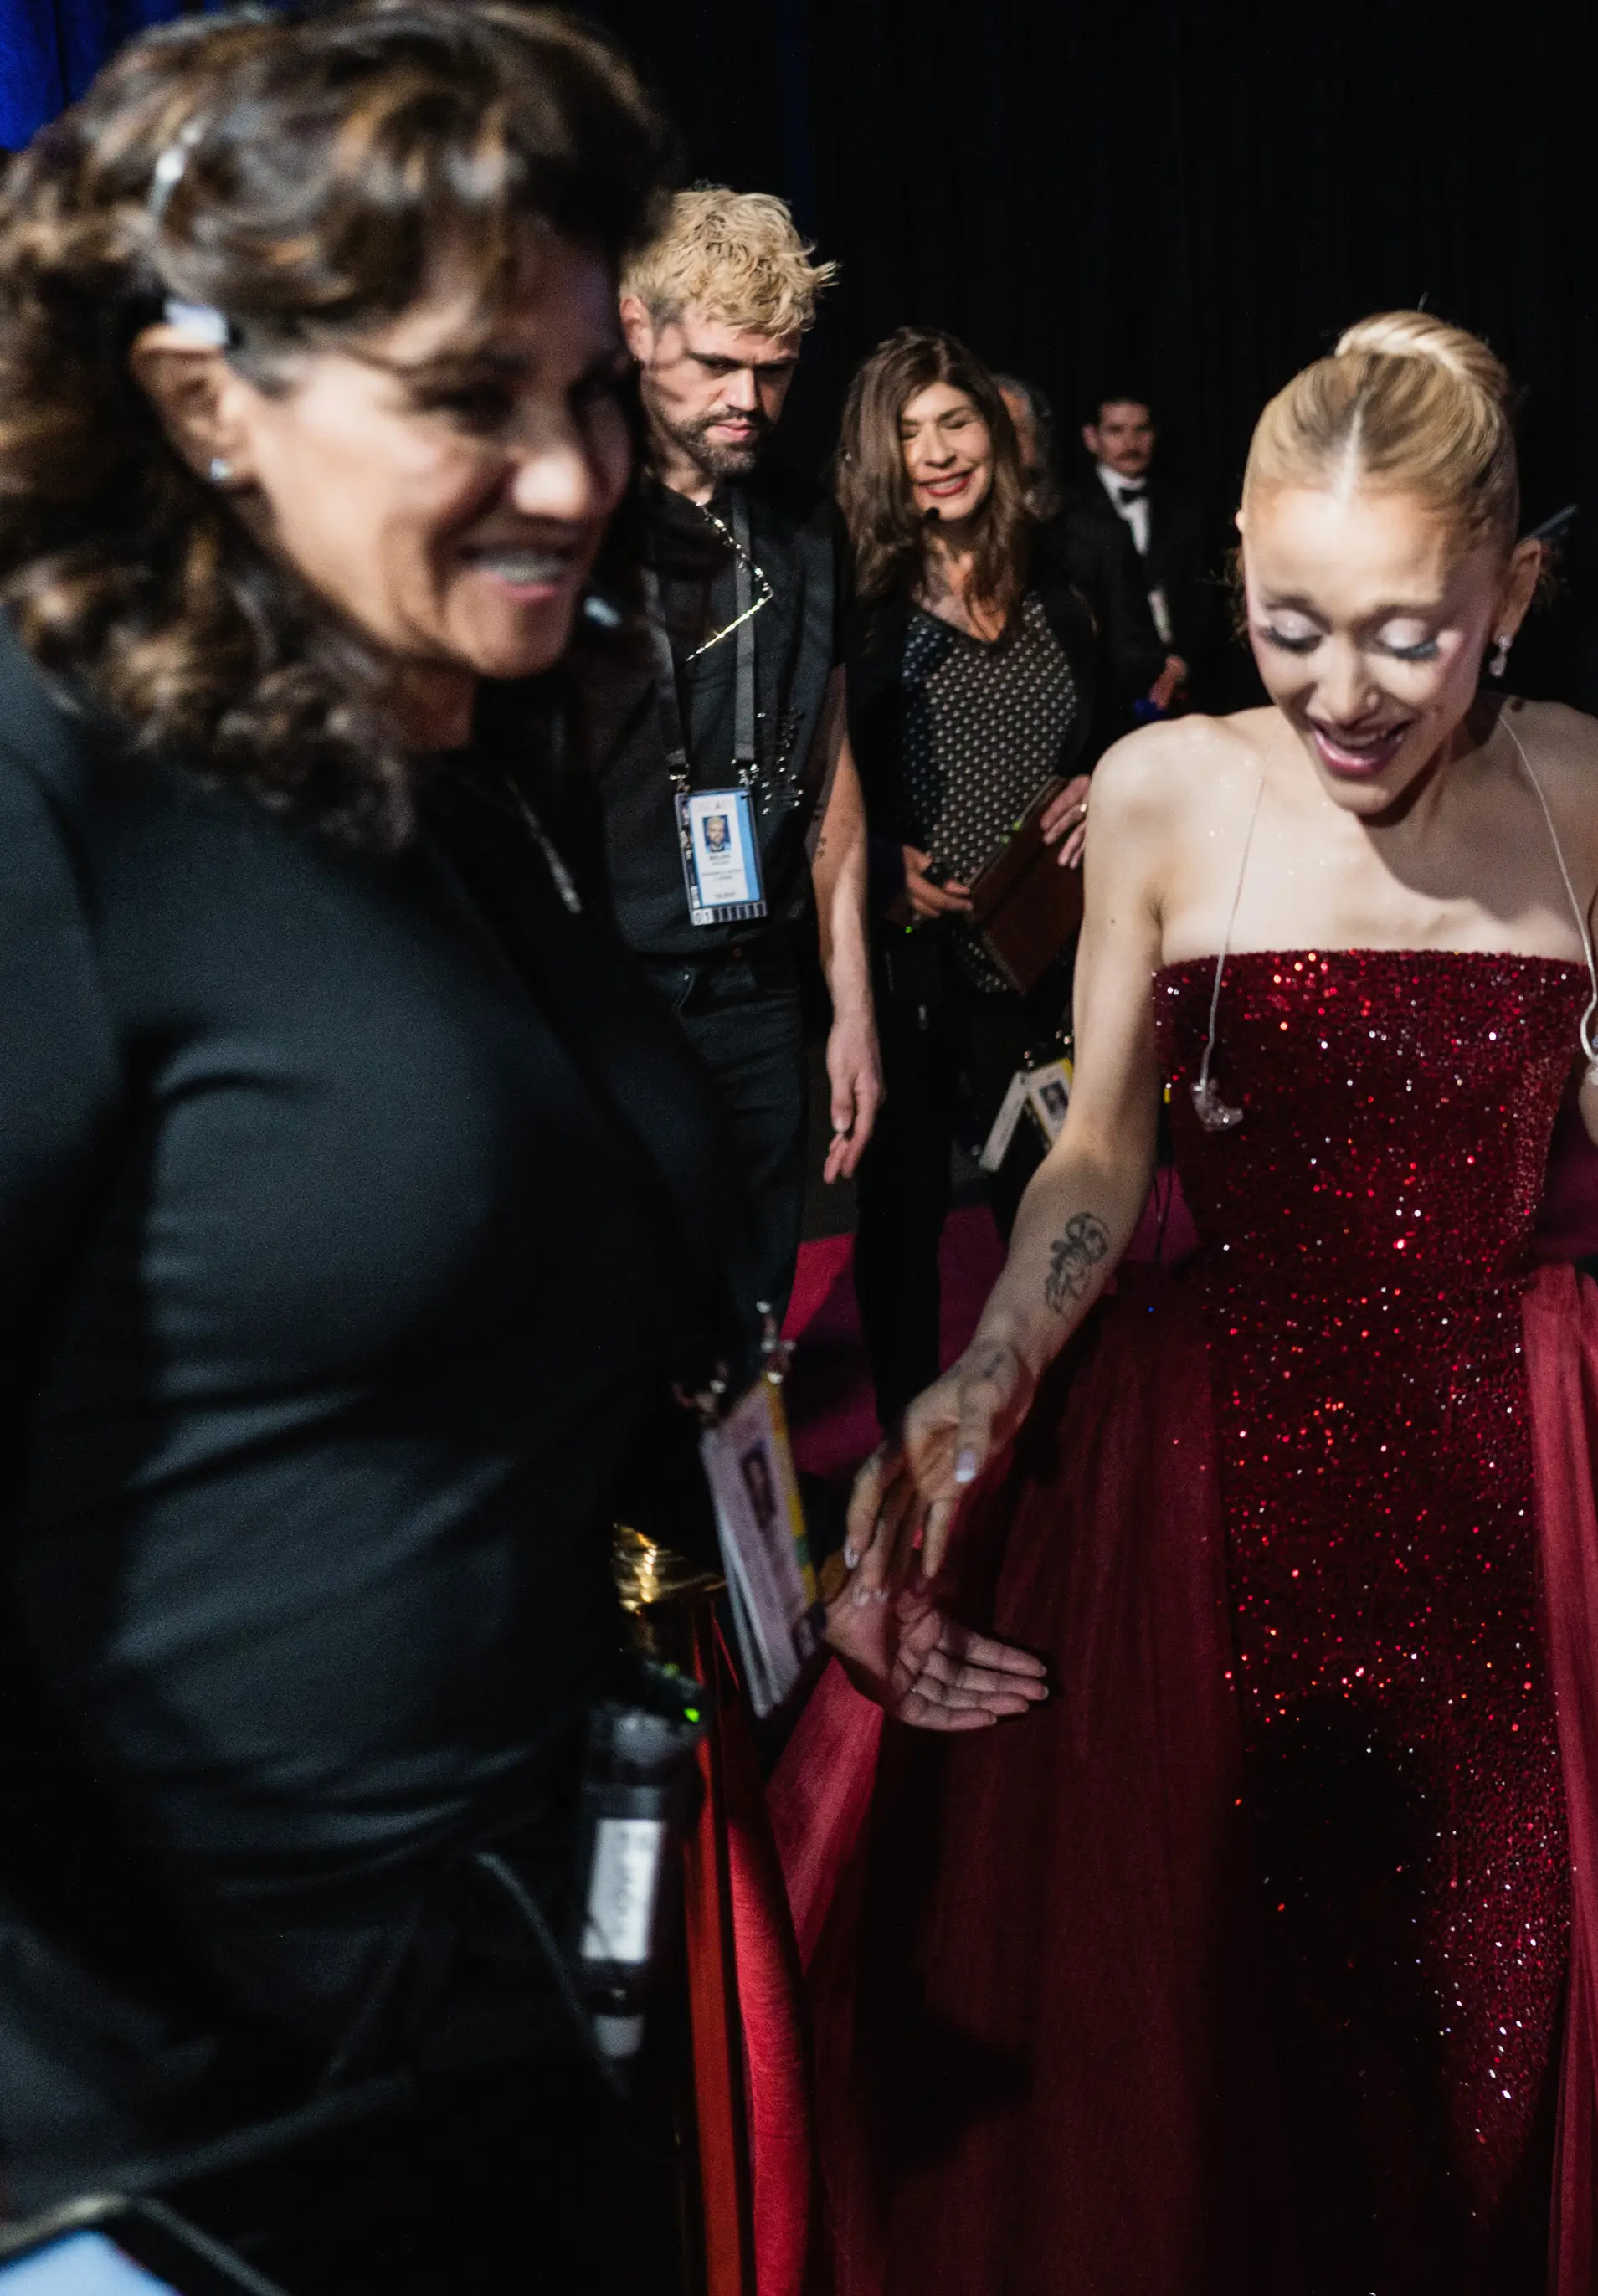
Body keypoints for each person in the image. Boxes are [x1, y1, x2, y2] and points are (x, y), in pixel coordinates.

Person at [788, 310, 1598, 2295]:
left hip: (1513, 1470)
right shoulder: (1171, 782)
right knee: (1224, 2010)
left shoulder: (1568, 781)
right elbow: (1098, 1151)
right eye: (1290, 625)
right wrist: (994, 1366)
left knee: (1504, 1994)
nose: (1341, 693)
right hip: (1209, 1465)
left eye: (1403, 633)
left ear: (1514, 590)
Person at [0, 8, 711, 2284]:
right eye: (465, 397)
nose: (573, 470)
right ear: (208, 400)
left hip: (489, 2061)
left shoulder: (442, 779)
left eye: (590, 385)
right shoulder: (48, 783)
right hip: (147, 2179)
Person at [587, 185, 871, 1328]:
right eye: (715, 365)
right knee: (608, 1324)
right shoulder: (574, 518)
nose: (747, 401)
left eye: (775, 370)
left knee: (750, 1322)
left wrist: (850, 1004)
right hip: (609, 996)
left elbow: (832, 768)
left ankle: (739, 1516)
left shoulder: (806, 528)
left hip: (758, 995)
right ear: (635, 327)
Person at [840, 328, 1118, 1420]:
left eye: (955, 422)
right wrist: (880, 873)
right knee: (903, 1214)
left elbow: (1137, 713)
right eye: (908, 434)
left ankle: (1059, 1438)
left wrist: (1105, 778)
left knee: (1042, 1195)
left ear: (994, 433)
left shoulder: (1068, 566)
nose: (938, 452)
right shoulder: (861, 598)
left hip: (1040, 952)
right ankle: (912, 1441)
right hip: (911, 965)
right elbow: (821, 782)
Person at [994, 367, 1169, 714]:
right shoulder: (939, 539)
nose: (998, 445)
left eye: (1011, 431)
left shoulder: (1097, 534)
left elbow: (1133, 654)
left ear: (1037, 441)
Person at [1060, 384, 1232, 709]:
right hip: (1102, 689)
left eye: (1141, 430)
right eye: (1116, 431)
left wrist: (1181, 663)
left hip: (1180, 684)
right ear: (1090, 438)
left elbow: (1204, 598)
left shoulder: (1185, 513)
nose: (1130, 443)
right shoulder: (1066, 513)